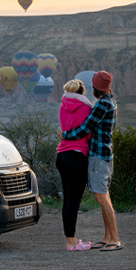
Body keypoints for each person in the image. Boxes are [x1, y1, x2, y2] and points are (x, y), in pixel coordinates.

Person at [61, 71, 122, 252]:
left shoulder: (102, 104)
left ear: (96, 87)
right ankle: (107, 237)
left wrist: (64, 135)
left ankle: (115, 239)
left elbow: (85, 128)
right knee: (104, 196)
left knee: (101, 197)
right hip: (103, 155)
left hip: (99, 156)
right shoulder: (109, 102)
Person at [56, 79, 94, 251]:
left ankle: (69, 238)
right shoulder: (86, 108)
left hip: (62, 155)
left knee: (67, 200)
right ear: (82, 92)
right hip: (77, 155)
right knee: (74, 201)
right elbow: (87, 134)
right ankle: (71, 241)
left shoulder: (62, 106)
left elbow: (64, 129)